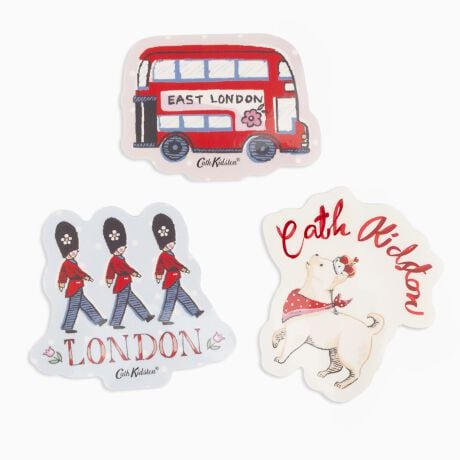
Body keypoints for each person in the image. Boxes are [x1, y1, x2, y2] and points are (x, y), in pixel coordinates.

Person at [103, 217, 155, 329]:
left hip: (125, 282)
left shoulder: (120, 258)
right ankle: (116, 322)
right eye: (120, 247)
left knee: (132, 300)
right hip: (122, 283)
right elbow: (117, 269)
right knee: (122, 303)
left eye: (123, 247)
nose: (123, 249)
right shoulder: (115, 260)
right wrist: (133, 273)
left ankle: (146, 316)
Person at [55, 221, 106, 333]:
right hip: (74, 287)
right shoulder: (67, 263)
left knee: (84, 304)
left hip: (78, 286)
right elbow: (65, 274)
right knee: (74, 308)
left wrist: (86, 277)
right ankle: (69, 326)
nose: (75, 253)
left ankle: (98, 320)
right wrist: (62, 283)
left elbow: (79, 272)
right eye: (72, 251)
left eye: (75, 251)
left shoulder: (73, 262)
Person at [152, 213, 203, 325]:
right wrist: (159, 275)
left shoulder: (170, 254)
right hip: (171, 279)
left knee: (182, 296)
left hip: (175, 278)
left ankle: (195, 311)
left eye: (173, 242)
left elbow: (172, 264)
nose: (172, 245)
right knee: (171, 299)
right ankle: (165, 318)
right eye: (169, 243)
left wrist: (182, 269)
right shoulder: (164, 255)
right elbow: (165, 266)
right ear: (164, 244)